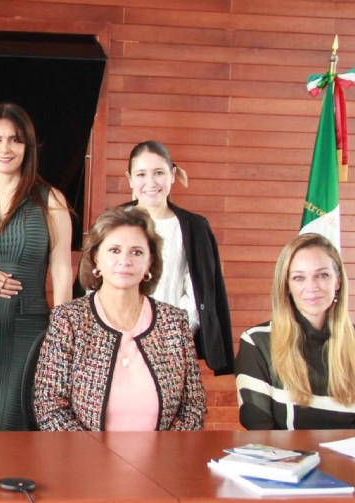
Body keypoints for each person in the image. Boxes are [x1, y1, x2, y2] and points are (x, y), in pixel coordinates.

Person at [0, 102, 72, 431]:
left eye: (15, 140)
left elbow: (62, 273)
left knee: (13, 421)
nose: (5, 148)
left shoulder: (50, 200)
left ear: (28, 147)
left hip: (30, 328)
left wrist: (60, 339)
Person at [34, 206, 206, 431]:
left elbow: (193, 406)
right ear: (96, 258)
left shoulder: (174, 322)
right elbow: (49, 406)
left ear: (149, 262)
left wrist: (164, 454)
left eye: (136, 252)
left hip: (160, 460)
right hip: (87, 460)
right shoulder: (68, 320)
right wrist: (96, 457)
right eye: (114, 250)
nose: (125, 260)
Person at [122, 140, 233, 375]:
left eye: (159, 173)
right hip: (115, 342)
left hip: (170, 347)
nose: (150, 183)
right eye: (141, 174)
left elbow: (196, 294)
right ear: (130, 178)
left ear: (172, 175)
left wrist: (168, 338)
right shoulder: (113, 222)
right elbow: (94, 284)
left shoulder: (194, 227)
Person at [236, 233, 355, 429]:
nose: (312, 287)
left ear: (338, 281)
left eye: (322, 275)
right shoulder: (257, 342)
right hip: (287, 459)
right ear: (287, 286)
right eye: (299, 278)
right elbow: (258, 428)